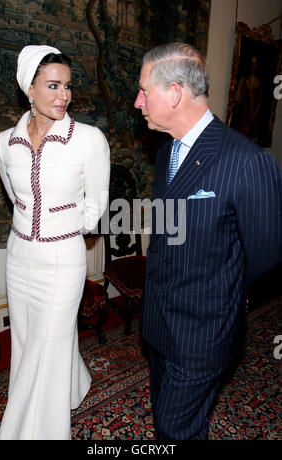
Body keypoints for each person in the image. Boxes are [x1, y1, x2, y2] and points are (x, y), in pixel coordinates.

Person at [134, 42, 282, 440]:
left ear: (175, 92)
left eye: (145, 90)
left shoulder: (248, 161)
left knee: (174, 428)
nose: (137, 101)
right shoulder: (167, 154)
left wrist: (218, 294)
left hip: (203, 331)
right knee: (170, 419)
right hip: (159, 323)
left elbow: (267, 254)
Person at [0, 45, 110, 440]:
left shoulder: (89, 140)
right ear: (29, 88)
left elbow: (95, 208)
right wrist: (33, 229)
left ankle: (29, 431)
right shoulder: (5, 142)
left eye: (67, 86)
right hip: (19, 256)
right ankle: (75, 384)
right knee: (29, 341)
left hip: (63, 258)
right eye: (53, 85)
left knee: (50, 342)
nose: (64, 95)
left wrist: (57, 229)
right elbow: (15, 199)